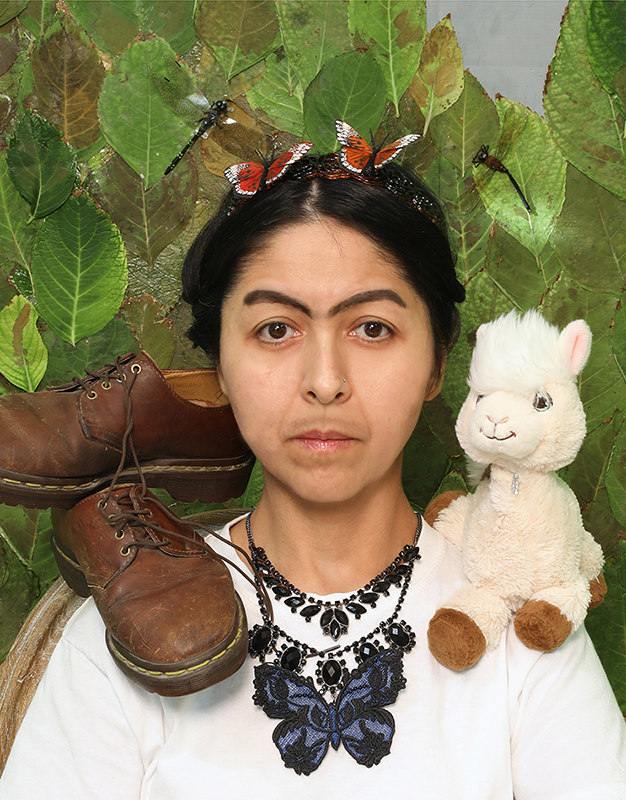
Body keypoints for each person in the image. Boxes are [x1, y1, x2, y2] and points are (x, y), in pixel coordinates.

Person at [1, 134, 625, 799]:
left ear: (440, 362)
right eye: (276, 329)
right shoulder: (112, 642)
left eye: (373, 328)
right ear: (220, 364)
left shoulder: (519, 627)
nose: (325, 381)